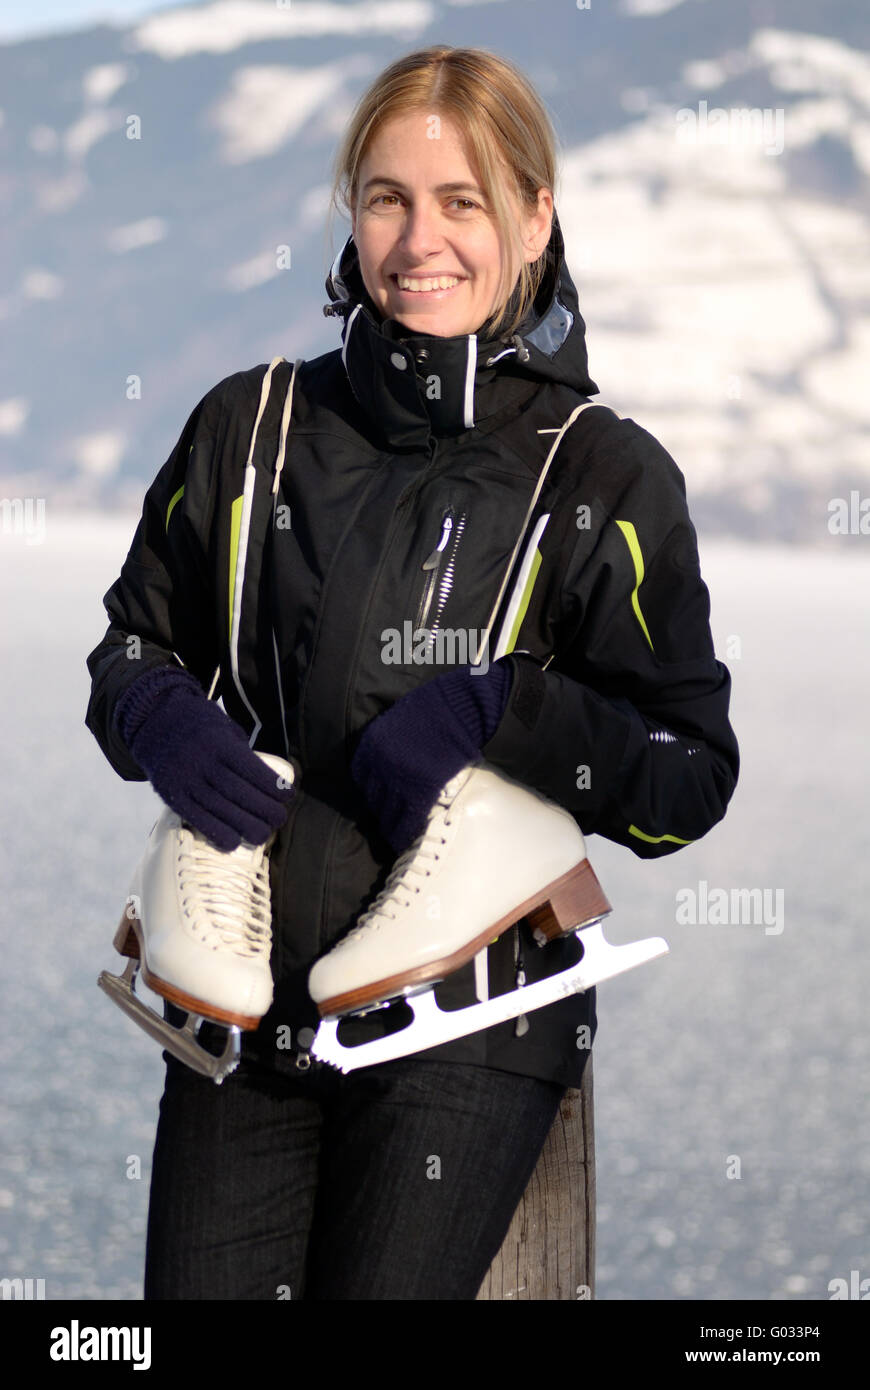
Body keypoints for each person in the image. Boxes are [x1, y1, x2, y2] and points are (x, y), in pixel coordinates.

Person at [85, 44, 739, 1300]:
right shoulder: (250, 424)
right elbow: (129, 647)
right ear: (351, 211)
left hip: (470, 1022)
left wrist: (500, 709)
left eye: (463, 201)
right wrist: (162, 715)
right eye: (387, 197)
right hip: (243, 1004)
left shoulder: (603, 474)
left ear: (536, 218)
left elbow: (687, 778)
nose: (418, 239)